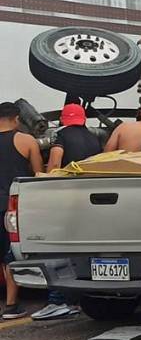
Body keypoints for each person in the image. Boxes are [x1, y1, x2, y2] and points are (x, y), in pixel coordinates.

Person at [32, 103, 102, 320]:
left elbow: (54, 163)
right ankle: (78, 299)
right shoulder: (94, 138)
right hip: (90, 198)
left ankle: (57, 300)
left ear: (63, 119)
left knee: (59, 248)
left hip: (67, 197)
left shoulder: (60, 136)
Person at [0, 102, 43, 321]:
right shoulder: (26, 140)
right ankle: (11, 306)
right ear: (17, 119)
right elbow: (38, 174)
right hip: (11, 206)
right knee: (11, 255)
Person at [45, 103, 101, 172]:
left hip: (68, 180)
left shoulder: (59, 134)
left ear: (61, 119)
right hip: (90, 179)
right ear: (85, 119)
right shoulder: (94, 137)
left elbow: (55, 165)